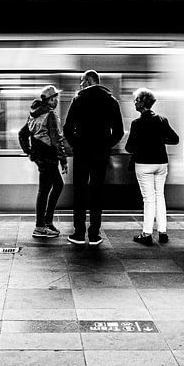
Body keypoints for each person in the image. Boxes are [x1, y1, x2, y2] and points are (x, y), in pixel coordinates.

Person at [62, 70, 124, 245]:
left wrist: (76, 144)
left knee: (80, 192)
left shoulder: (78, 100)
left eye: (82, 81)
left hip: (82, 153)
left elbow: (67, 129)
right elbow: (119, 131)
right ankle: (94, 235)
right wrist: (105, 145)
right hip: (101, 154)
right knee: (97, 192)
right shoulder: (111, 101)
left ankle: (79, 234)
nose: (81, 85)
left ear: (89, 81)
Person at [125, 88, 179, 245]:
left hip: (143, 165)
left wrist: (143, 145)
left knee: (148, 199)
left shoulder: (137, 123)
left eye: (136, 100)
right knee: (159, 196)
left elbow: (129, 148)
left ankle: (147, 234)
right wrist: (159, 141)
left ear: (142, 103)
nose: (134, 102)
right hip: (161, 163)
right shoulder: (162, 120)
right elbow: (174, 139)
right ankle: (163, 232)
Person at [18, 85, 68, 238]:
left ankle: (47, 221)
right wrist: (63, 160)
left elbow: (22, 134)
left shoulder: (34, 114)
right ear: (49, 100)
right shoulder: (50, 115)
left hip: (41, 158)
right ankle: (40, 226)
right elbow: (56, 140)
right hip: (49, 158)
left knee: (57, 186)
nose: (57, 100)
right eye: (55, 98)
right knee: (44, 190)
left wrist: (30, 153)